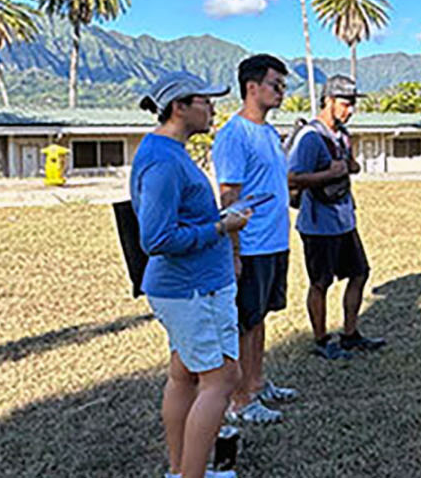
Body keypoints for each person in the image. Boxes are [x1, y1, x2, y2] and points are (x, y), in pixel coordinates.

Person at [131, 72, 244, 478]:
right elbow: (156, 237)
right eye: (205, 100)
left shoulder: (169, 152)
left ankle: (181, 470)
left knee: (184, 377)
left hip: (193, 285)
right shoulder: (163, 160)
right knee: (222, 380)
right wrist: (220, 228)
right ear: (179, 107)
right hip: (190, 289)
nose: (213, 107)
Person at [212, 54, 298, 425]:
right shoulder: (234, 134)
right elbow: (229, 196)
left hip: (275, 241)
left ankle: (258, 382)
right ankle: (240, 400)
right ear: (252, 87)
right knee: (245, 322)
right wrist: (233, 251)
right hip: (251, 244)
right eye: (275, 85)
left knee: (259, 317)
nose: (281, 92)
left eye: (283, 85)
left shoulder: (267, 132)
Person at [287, 74, 386, 360]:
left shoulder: (342, 134)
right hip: (318, 224)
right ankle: (320, 340)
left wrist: (350, 166)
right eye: (345, 103)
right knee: (321, 283)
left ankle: (350, 334)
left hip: (344, 219)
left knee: (359, 273)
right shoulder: (310, 137)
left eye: (353, 103)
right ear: (328, 101)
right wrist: (328, 174)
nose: (350, 109)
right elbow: (291, 178)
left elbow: (348, 167)